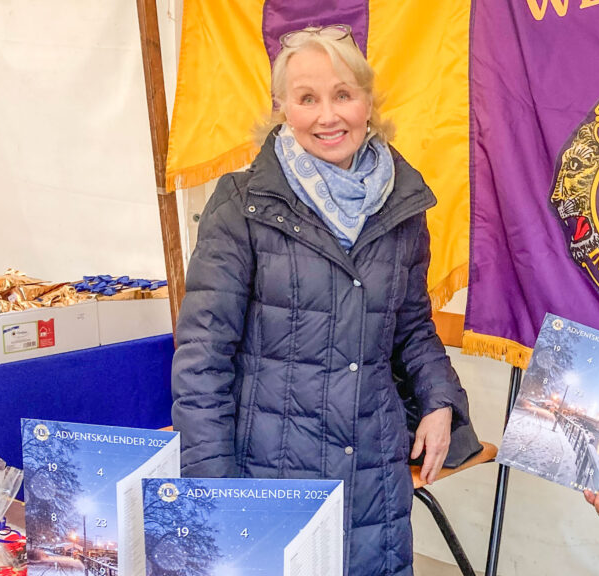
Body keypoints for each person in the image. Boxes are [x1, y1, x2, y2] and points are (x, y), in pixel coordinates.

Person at [170, 24, 472, 576]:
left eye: (342, 95)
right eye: (307, 98)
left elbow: (412, 328)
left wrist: (438, 400)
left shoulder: (402, 204)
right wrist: (214, 490)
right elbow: (202, 360)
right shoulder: (241, 204)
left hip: (372, 467)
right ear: (282, 106)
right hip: (271, 464)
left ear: (367, 101)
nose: (327, 116)